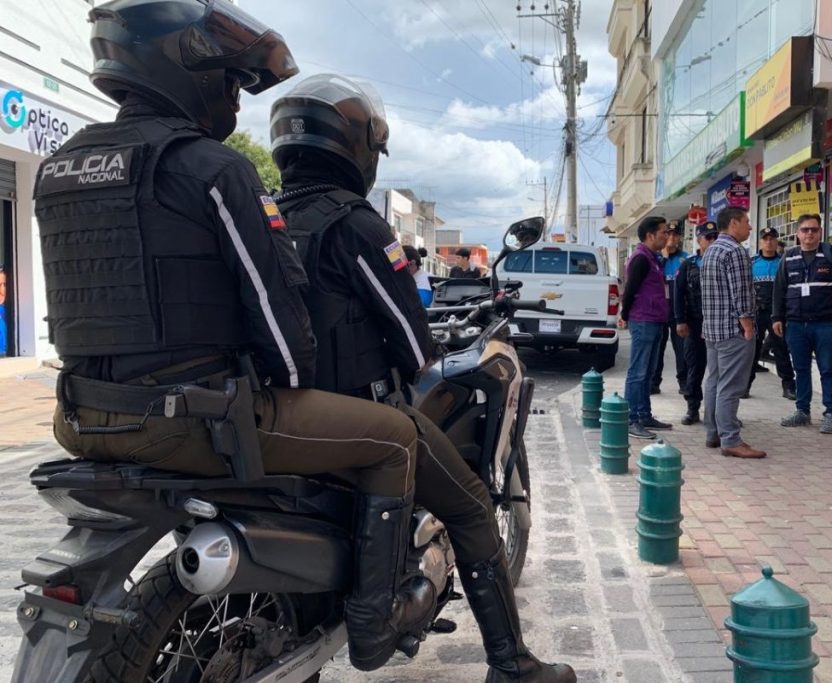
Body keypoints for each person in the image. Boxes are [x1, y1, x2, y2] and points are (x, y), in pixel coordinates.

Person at [35, 3, 437, 673]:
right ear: (179, 67)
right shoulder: (213, 169)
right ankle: (374, 624)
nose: (234, 99)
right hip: (188, 420)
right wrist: (292, 385)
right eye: (228, 81)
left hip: (79, 416)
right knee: (395, 437)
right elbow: (277, 318)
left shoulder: (59, 168)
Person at [269, 73, 575, 681]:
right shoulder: (354, 224)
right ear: (355, 147)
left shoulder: (267, 217)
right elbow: (413, 349)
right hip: (359, 415)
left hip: (278, 413)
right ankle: (512, 665)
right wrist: (425, 345)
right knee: (472, 508)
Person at [772, 214, 832, 434]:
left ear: (820, 232)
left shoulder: (831, 254)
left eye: (814, 229)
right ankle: (802, 411)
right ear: (797, 233)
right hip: (796, 324)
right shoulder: (788, 257)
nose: (809, 233)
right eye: (805, 229)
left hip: (825, 323)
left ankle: (831, 414)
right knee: (801, 369)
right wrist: (777, 317)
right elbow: (779, 289)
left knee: (827, 369)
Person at [700, 208, 765, 458]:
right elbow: (741, 293)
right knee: (730, 386)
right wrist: (747, 325)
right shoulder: (735, 251)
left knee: (714, 381)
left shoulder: (711, 250)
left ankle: (713, 432)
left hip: (713, 330)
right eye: (747, 222)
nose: (750, 227)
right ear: (734, 223)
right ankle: (730, 439)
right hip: (732, 330)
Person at [620, 215, 673, 439]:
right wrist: (625, 315)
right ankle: (630, 419)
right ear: (650, 235)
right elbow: (630, 290)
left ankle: (644, 414)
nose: (667, 236)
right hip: (643, 320)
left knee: (648, 372)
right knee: (638, 372)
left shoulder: (653, 258)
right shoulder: (641, 259)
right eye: (663, 232)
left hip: (655, 319)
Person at [674, 222, 717, 425]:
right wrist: (680, 320)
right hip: (695, 322)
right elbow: (678, 294)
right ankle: (692, 408)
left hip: (718, 323)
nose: (713, 241)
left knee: (722, 369)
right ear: (699, 240)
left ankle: (721, 411)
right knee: (694, 366)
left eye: (715, 237)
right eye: (708, 237)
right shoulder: (688, 264)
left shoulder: (723, 261)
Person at [746, 227, 796, 400]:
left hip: (778, 314)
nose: (768, 242)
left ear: (776, 241)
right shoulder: (751, 262)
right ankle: (745, 386)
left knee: (782, 351)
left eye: (772, 239)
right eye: (765, 239)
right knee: (752, 351)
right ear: (760, 242)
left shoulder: (784, 262)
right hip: (757, 313)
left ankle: (788, 386)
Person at [650, 224, 688, 395]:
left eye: (675, 234)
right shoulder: (655, 258)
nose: (671, 237)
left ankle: (684, 383)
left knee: (682, 350)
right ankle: (654, 382)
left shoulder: (685, 259)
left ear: (679, 237)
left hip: (678, 312)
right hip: (659, 311)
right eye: (668, 234)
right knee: (658, 349)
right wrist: (664, 258)